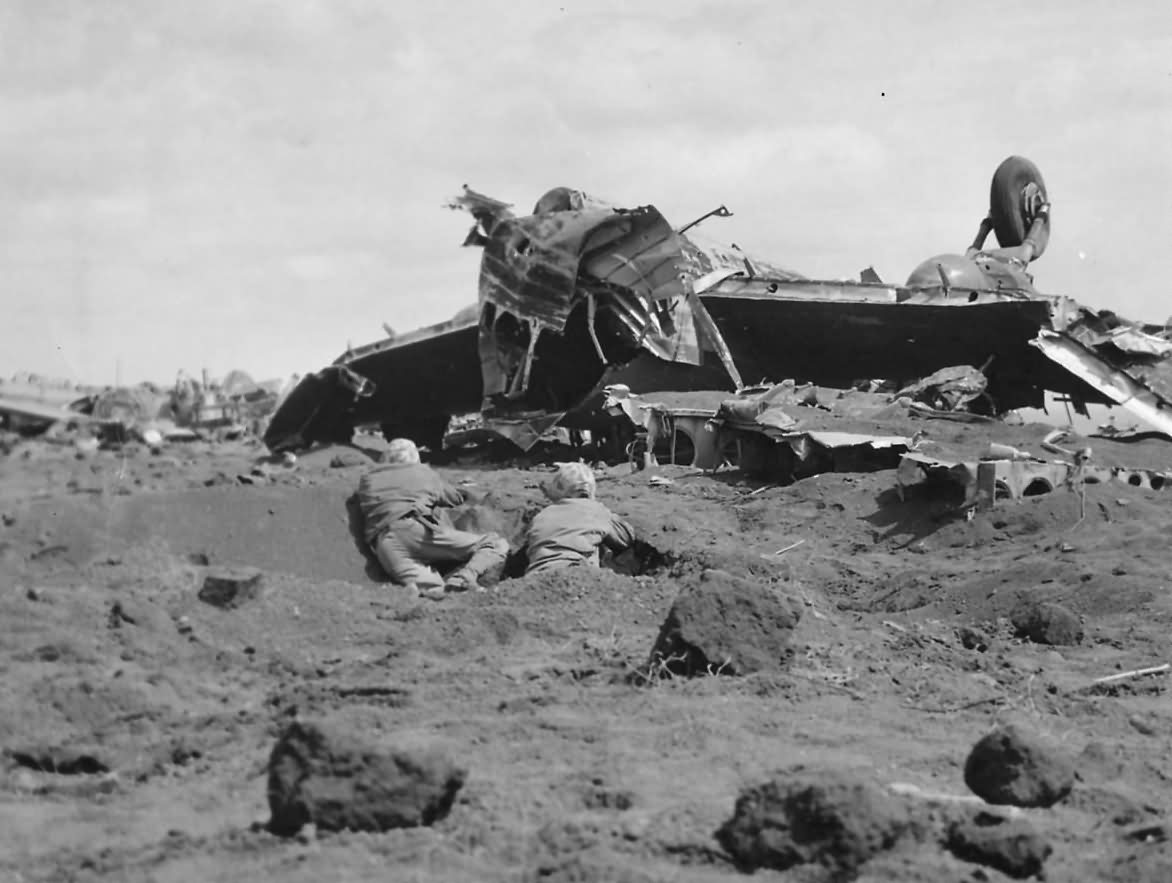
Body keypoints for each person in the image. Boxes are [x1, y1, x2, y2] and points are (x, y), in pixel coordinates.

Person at [357, 438, 508, 598]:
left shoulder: (368, 479)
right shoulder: (422, 472)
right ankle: (464, 578)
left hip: (386, 545)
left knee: (437, 592)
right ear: (415, 458)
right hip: (414, 531)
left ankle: (431, 591)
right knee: (494, 544)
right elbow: (453, 498)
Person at [525, 461, 636, 574]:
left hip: (536, 576)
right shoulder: (595, 510)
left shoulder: (540, 516)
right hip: (576, 573)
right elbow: (626, 538)